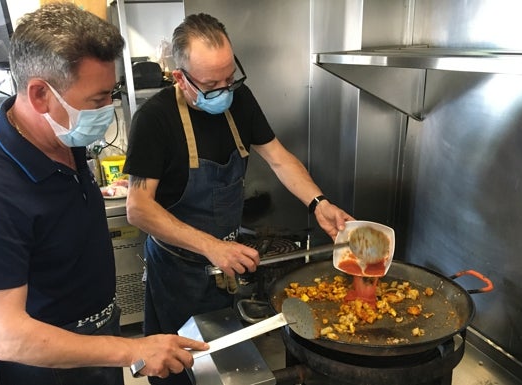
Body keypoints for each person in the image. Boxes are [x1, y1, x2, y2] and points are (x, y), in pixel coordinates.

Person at [0, 4, 207, 385]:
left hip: (100, 340)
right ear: (39, 95)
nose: (107, 109)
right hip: (48, 368)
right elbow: (7, 337)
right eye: (97, 100)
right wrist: (134, 350)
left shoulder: (62, 137)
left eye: (111, 94)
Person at [124, 13, 354, 385]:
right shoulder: (154, 120)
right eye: (212, 85)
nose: (225, 91)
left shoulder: (239, 100)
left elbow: (279, 158)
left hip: (224, 266)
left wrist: (319, 203)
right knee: (178, 369)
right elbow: (139, 207)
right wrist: (210, 246)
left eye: (230, 78)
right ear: (180, 78)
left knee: (222, 367)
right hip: (178, 271)